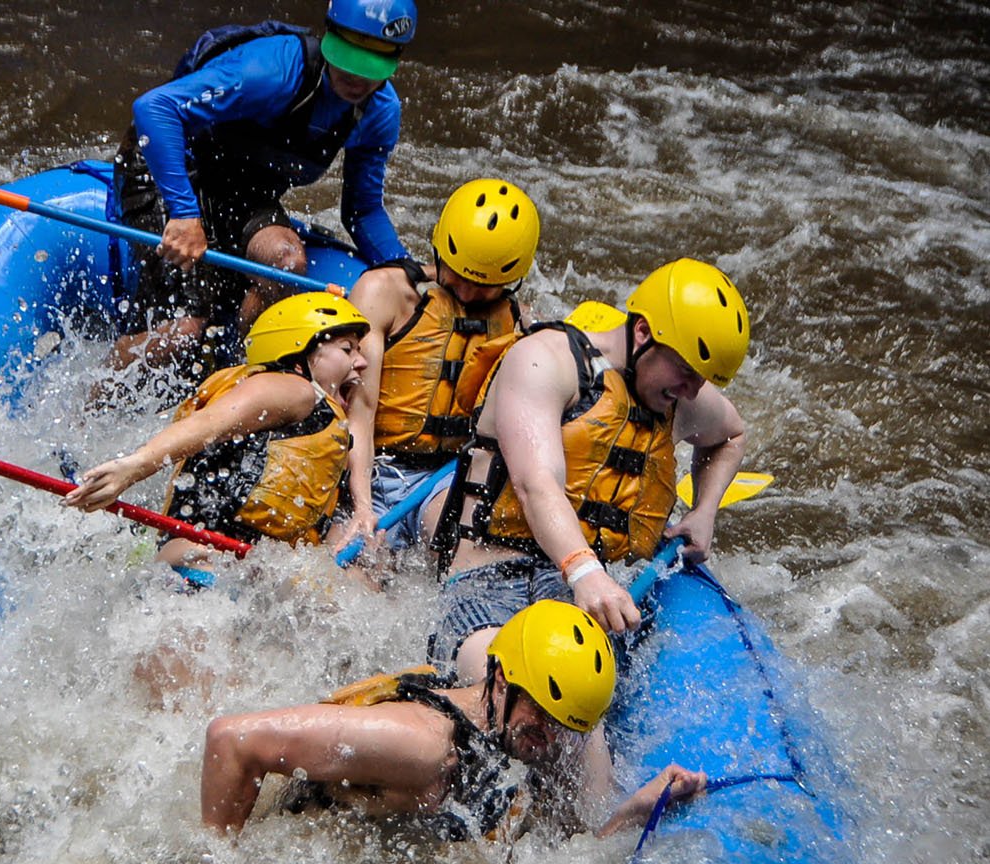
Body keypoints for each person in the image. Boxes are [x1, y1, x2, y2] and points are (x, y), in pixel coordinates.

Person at [426, 258, 751, 684]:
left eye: (703, 379)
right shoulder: (545, 360)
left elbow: (731, 436)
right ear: (642, 333)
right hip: (491, 581)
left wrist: (704, 510)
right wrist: (584, 571)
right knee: (523, 689)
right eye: (687, 372)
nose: (691, 391)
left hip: (589, 591)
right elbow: (535, 484)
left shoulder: (679, 397)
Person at [201, 600, 706, 839]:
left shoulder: (509, 739)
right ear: (503, 679)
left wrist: (638, 808)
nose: (548, 738)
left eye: (564, 727)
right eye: (541, 716)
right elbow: (232, 740)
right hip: (297, 846)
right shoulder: (419, 744)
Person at [106, 0, 417, 378]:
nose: (356, 77)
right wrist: (185, 213)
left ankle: (233, 369)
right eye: (348, 57)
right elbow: (154, 109)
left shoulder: (379, 112)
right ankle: (92, 399)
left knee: (287, 263)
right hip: (169, 170)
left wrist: (405, 270)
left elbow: (362, 210)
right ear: (330, 34)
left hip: (242, 191)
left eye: (371, 66)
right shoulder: (273, 70)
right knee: (184, 330)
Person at [64, 292, 369, 586]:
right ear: (300, 360)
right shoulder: (295, 389)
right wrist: (133, 467)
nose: (362, 362)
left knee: (359, 583)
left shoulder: (320, 423)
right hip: (203, 556)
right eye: (347, 349)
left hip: (242, 562)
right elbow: (211, 423)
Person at [330, 178, 540, 555]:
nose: (467, 293)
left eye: (485, 286)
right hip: (377, 467)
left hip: (446, 476)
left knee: (450, 552)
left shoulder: (518, 322)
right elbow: (359, 411)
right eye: (458, 276)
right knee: (362, 567)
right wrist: (362, 506)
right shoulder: (386, 293)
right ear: (439, 249)